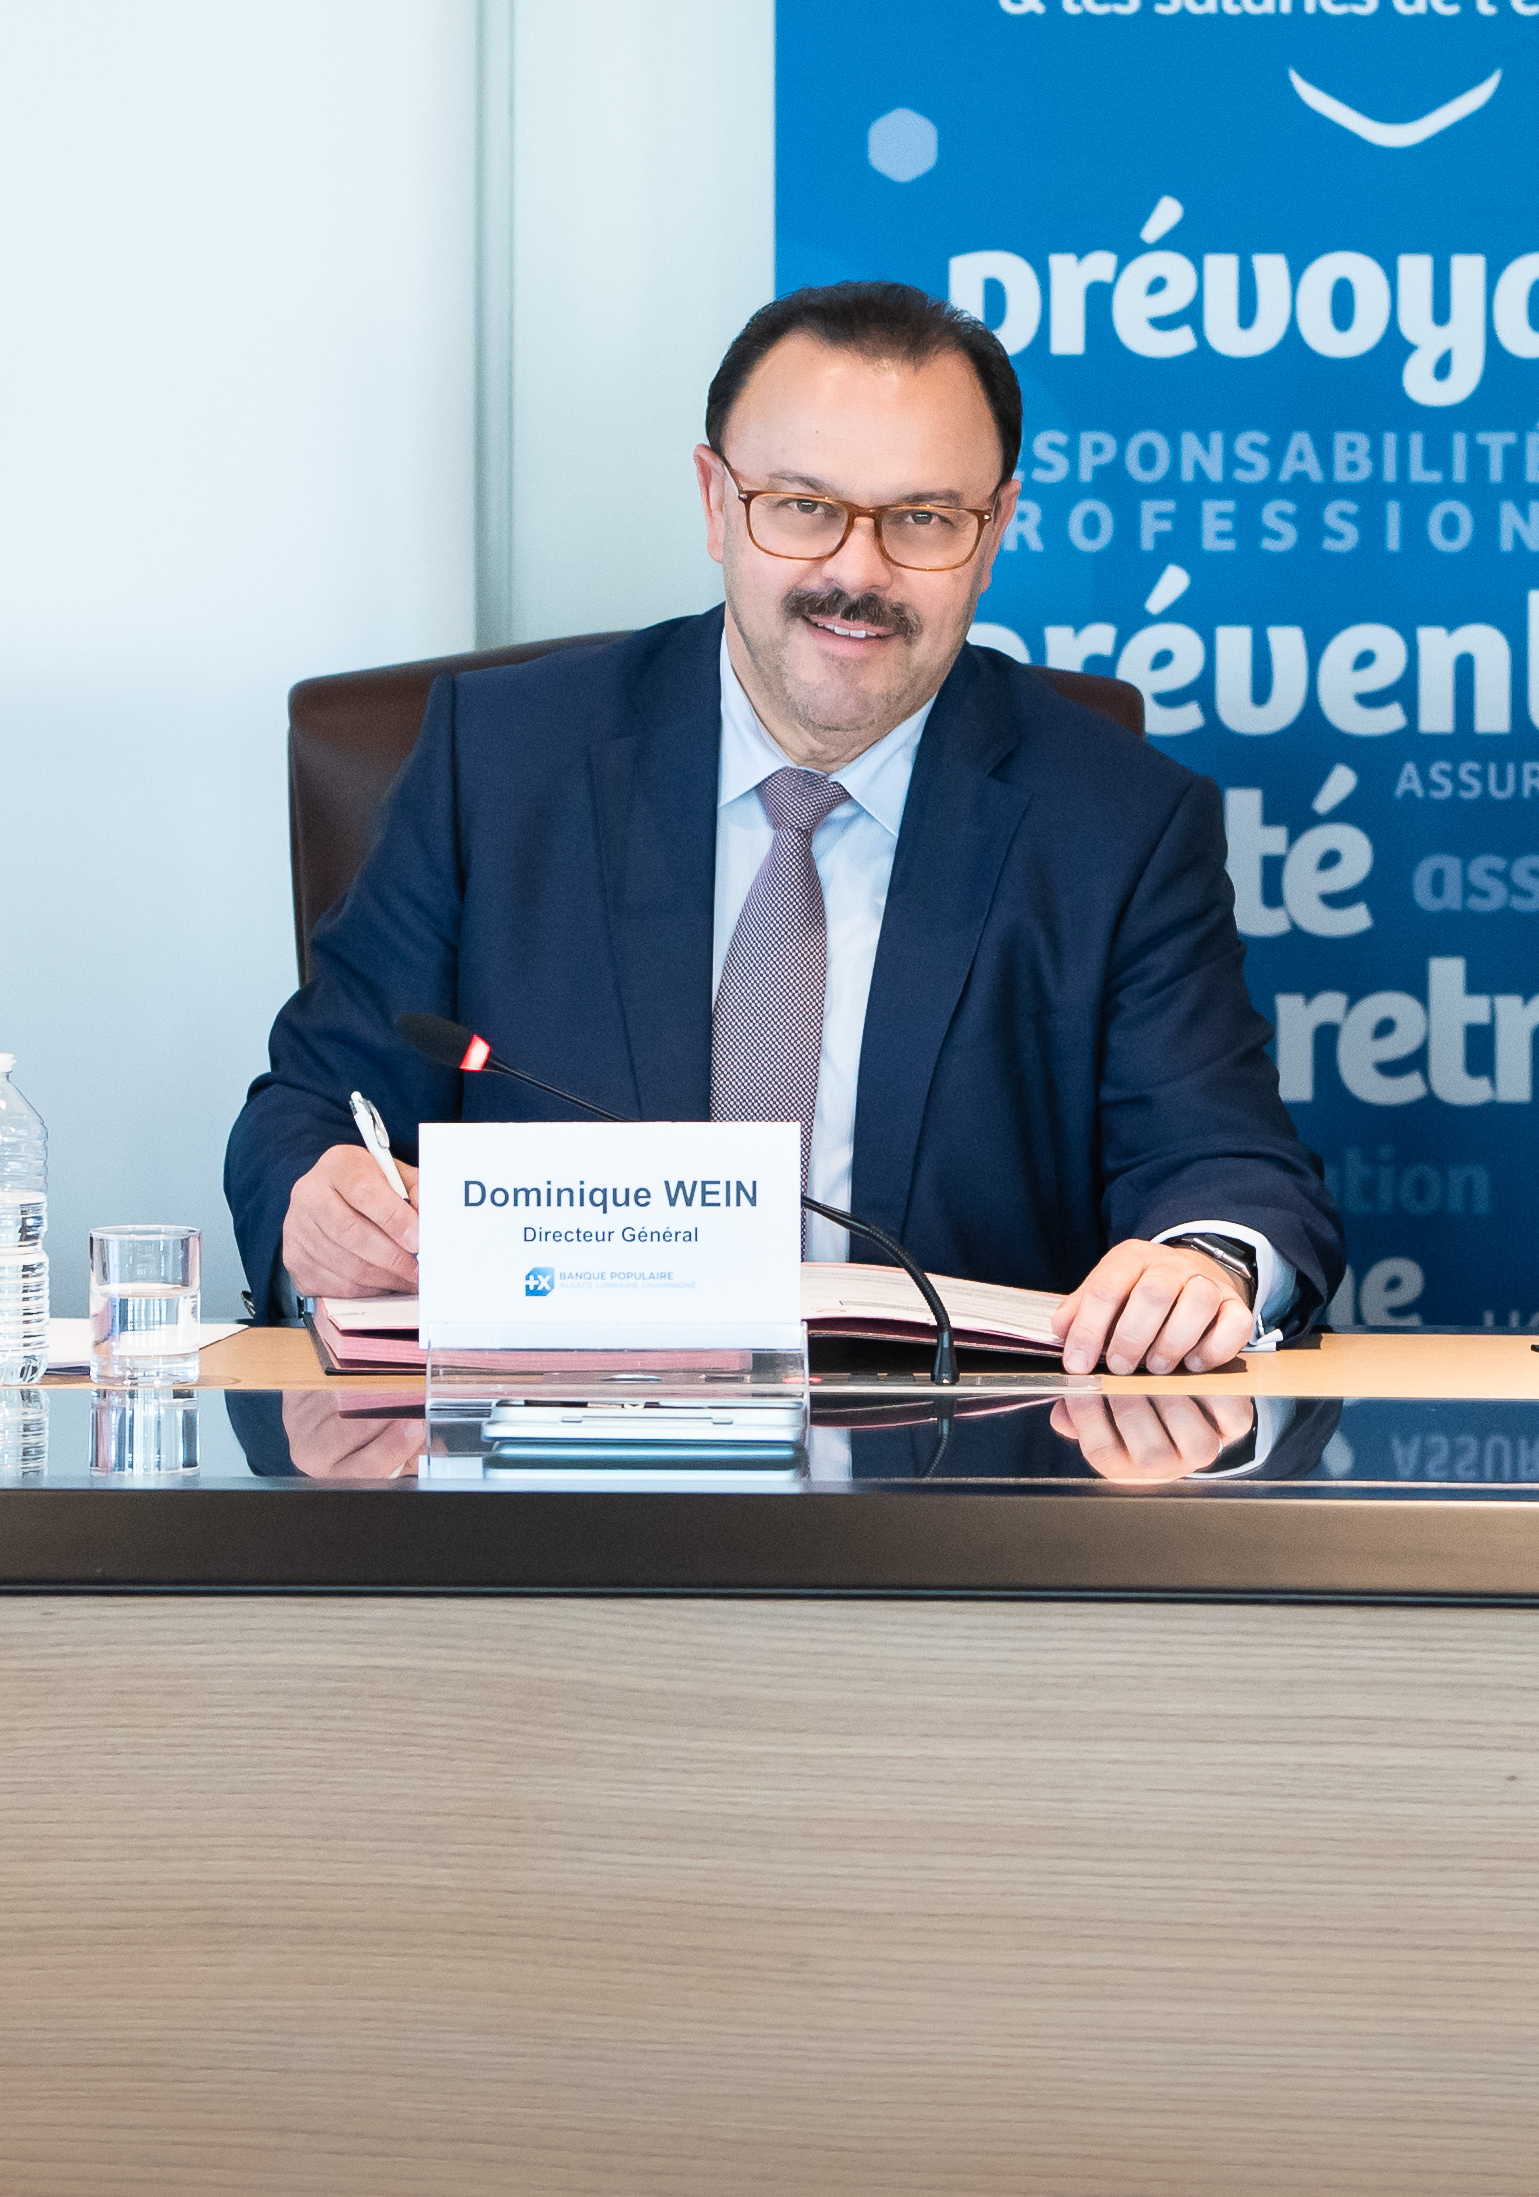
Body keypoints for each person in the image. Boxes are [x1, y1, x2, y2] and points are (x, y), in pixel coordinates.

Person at [224, 279, 1339, 1375]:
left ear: (994, 531)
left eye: (922, 519)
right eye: (803, 506)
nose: (857, 571)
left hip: (962, 1461)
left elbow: (1226, 1168)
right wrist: (318, 1205)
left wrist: (1204, 1265)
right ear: (717, 502)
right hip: (555, 1448)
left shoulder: (1119, 821)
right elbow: (314, 1107)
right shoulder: (500, 762)